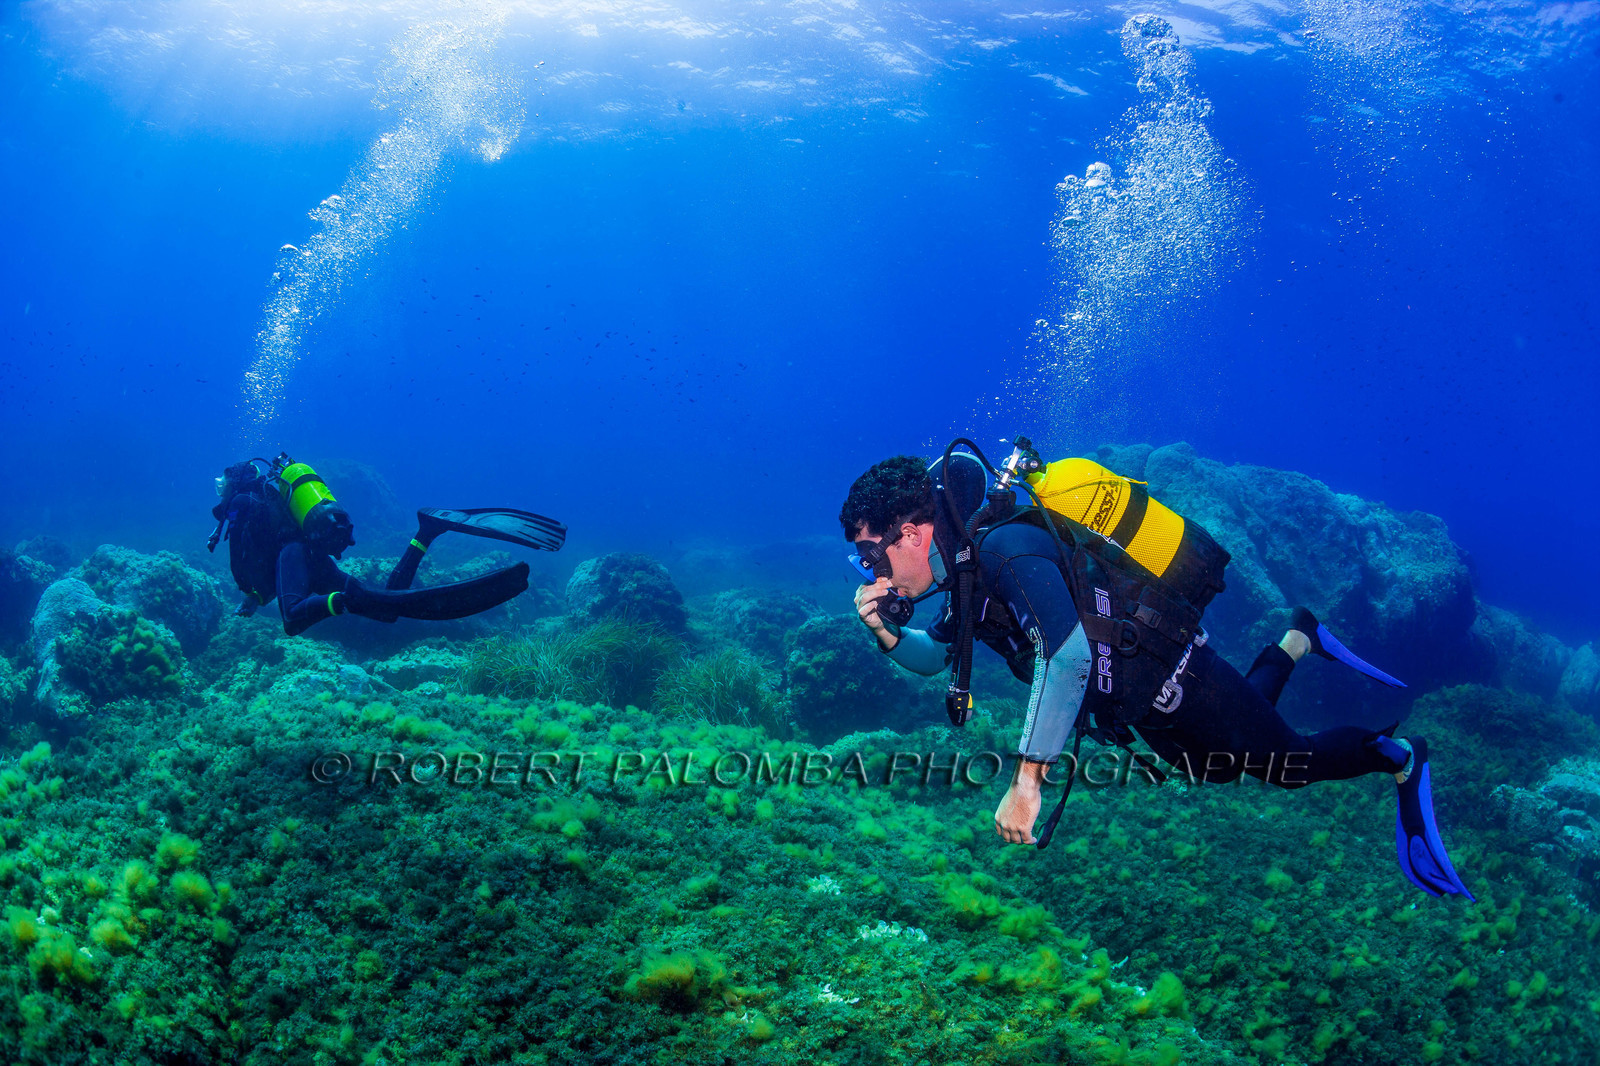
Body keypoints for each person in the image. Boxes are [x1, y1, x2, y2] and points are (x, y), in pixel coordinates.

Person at [838, 444, 1474, 900]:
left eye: (872, 553)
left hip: (1181, 677)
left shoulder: (1006, 551)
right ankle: (1299, 638)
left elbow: (1067, 655)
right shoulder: (968, 581)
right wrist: (884, 630)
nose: (874, 573)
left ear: (915, 532)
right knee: (1222, 765)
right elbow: (933, 658)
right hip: (1144, 705)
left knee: (1292, 765)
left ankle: (1400, 756)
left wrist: (1028, 780)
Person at [207, 453, 565, 636]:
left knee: (292, 619)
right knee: (387, 608)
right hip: (310, 558)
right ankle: (427, 532)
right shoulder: (268, 502)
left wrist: (253, 593)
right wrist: (254, 599)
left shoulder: (241, 504)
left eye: (222, 483)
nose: (220, 490)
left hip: (294, 557)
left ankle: (345, 601)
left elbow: (245, 562)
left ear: (236, 481)